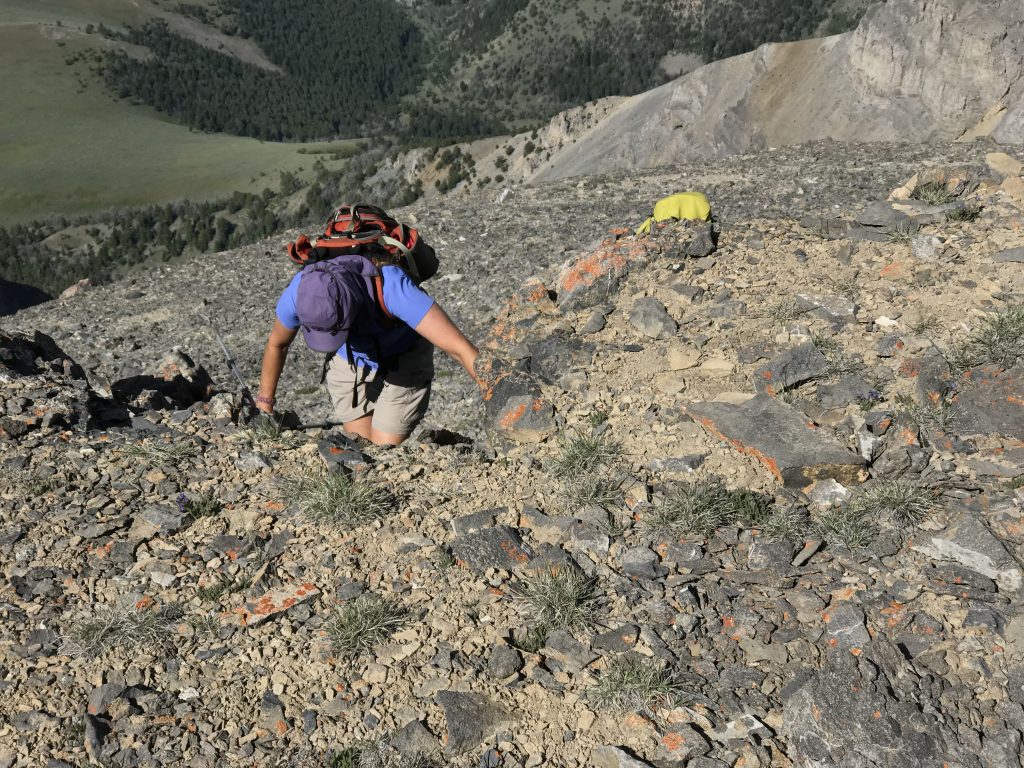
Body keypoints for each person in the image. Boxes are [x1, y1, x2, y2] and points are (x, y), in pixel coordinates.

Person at [255, 248, 479, 446]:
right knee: (361, 448)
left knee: (383, 450)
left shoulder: (393, 287)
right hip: (350, 357)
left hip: (404, 354)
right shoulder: (299, 292)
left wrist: (500, 399)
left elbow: (459, 348)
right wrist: (264, 406)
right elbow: (278, 344)